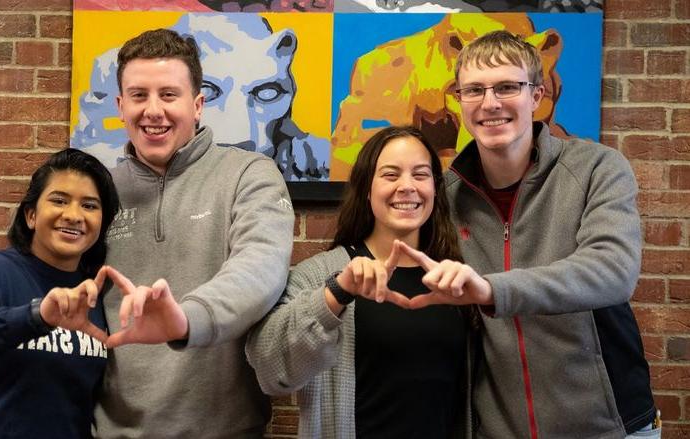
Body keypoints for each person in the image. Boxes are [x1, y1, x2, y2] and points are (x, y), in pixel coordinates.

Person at [399, 30, 658, 438]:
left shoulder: (597, 168)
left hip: (609, 426)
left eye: (507, 87)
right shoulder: (446, 196)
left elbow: (614, 270)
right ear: (459, 100)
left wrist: (491, 290)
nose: (490, 103)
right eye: (474, 90)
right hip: (500, 430)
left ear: (536, 96)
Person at [92, 28, 294, 438]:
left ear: (198, 104)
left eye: (169, 95)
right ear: (120, 105)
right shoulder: (98, 190)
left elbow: (260, 270)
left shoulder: (248, 174)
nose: (153, 111)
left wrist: (185, 320)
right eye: (138, 95)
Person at [246, 126, 472, 438]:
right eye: (391, 175)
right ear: (367, 188)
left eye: (420, 175)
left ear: (435, 187)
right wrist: (337, 293)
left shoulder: (456, 274)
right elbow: (272, 371)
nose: (407, 187)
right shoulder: (318, 275)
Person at [0, 148, 120, 439]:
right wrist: (35, 316)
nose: (74, 215)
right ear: (31, 215)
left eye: (89, 206)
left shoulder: (95, 295)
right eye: (59, 200)